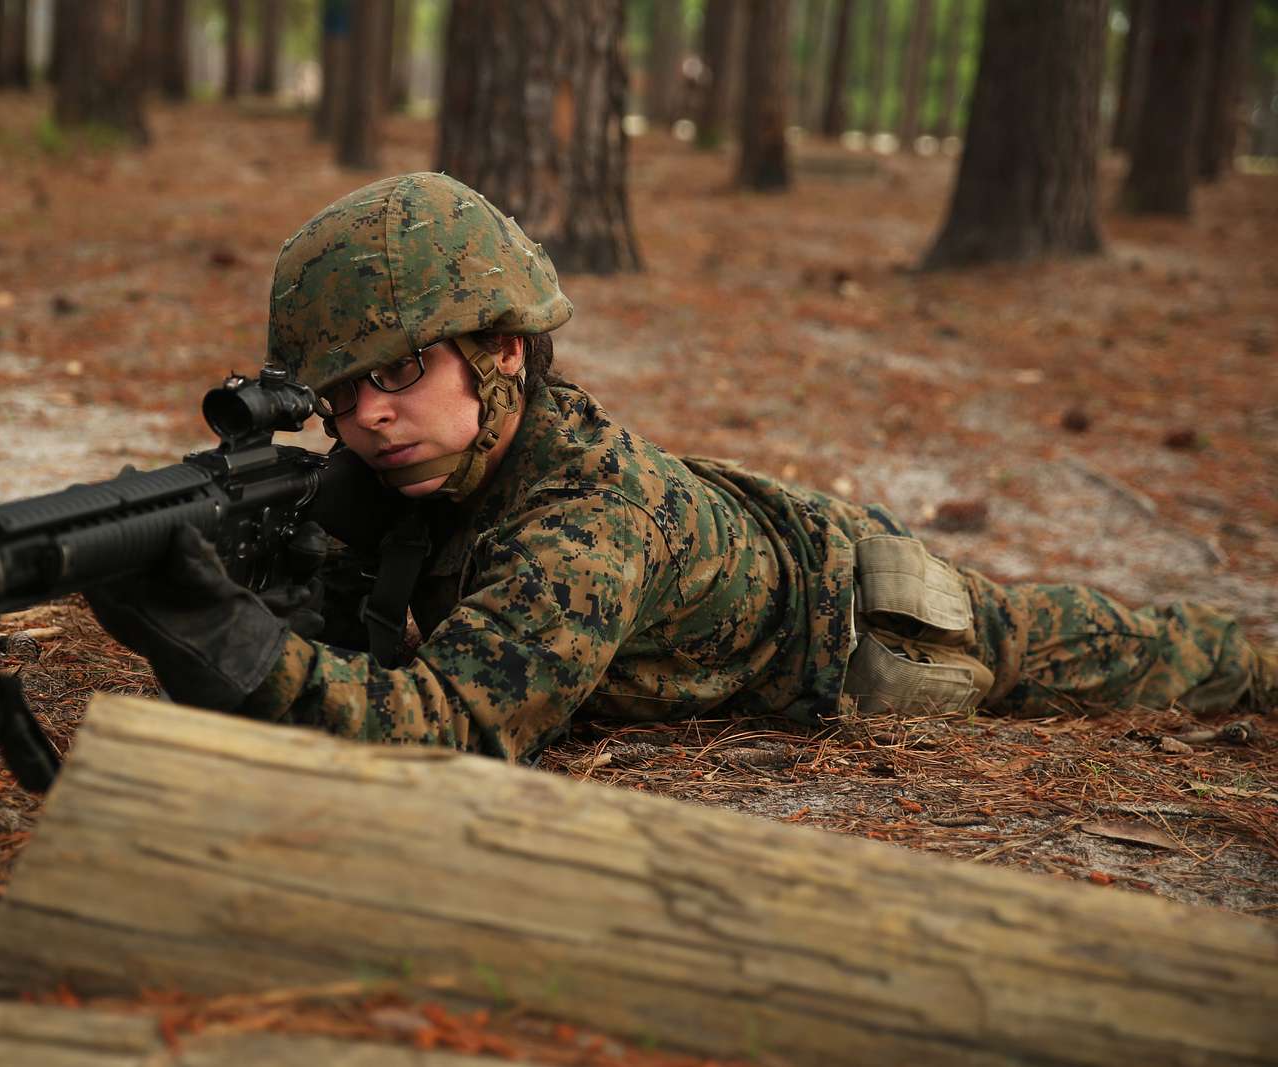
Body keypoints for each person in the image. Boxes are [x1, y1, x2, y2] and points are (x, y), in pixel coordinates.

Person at [85, 173, 1274, 762]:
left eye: (398, 376)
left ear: (503, 349)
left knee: (1159, 654)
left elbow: (446, 731)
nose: (367, 418)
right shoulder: (418, 462)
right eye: (338, 395)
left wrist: (233, 644)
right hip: (736, 535)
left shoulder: (583, 531)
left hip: (867, 621)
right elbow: (356, 625)